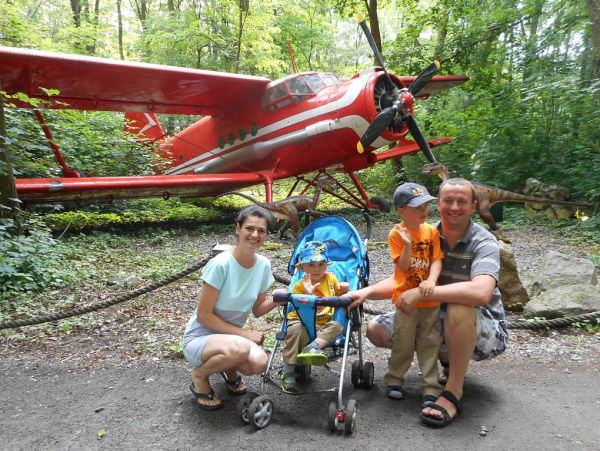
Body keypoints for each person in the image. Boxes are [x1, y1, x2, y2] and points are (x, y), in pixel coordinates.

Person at [347, 178, 508, 427]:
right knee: (376, 329)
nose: (454, 207)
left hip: (482, 329)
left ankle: (453, 391)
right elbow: (402, 279)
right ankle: (447, 360)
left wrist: (424, 294)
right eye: (448, 201)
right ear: (439, 204)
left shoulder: (484, 241)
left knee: (459, 305)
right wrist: (366, 292)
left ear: (474, 206)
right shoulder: (425, 233)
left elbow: (480, 292)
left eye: (462, 201)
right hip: (433, 315)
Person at [182, 205, 277, 410]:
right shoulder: (221, 264)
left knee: (259, 362)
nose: (255, 235)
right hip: (200, 339)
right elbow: (204, 316)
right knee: (241, 347)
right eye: (249, 228)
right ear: (238, 229)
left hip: (231, 340)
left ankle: (228, 369)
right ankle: (199, 376)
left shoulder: (264, 265)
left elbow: (258, 309)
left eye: (261, 231)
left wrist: (281, 298)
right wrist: (245, 334)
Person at [384, 183, 444, 405]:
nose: (423, 211)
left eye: (426, 205)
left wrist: (431, 280)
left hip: (430, 301)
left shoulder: (431, 231)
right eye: (417, 207)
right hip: (405, 302)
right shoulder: (396, 234)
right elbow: (403, 267)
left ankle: (430, 387)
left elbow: (436, 259)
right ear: (402, 210)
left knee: (430, 344)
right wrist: (408, 244)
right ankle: (394, 379)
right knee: (403, 343)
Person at [280, 241, 350, 393]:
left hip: (323, 325)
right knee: (296, 330)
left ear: (327, 265)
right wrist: (308, 292)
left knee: (337, 326)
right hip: (300, 321)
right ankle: (288, 370)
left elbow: (340, 298)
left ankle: (313, 347)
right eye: (311, 264)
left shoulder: (331, 280)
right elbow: (301, 305)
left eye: (321, 264)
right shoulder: (300, 284)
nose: (317, 269)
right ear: (303, 267)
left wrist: (344, 289)